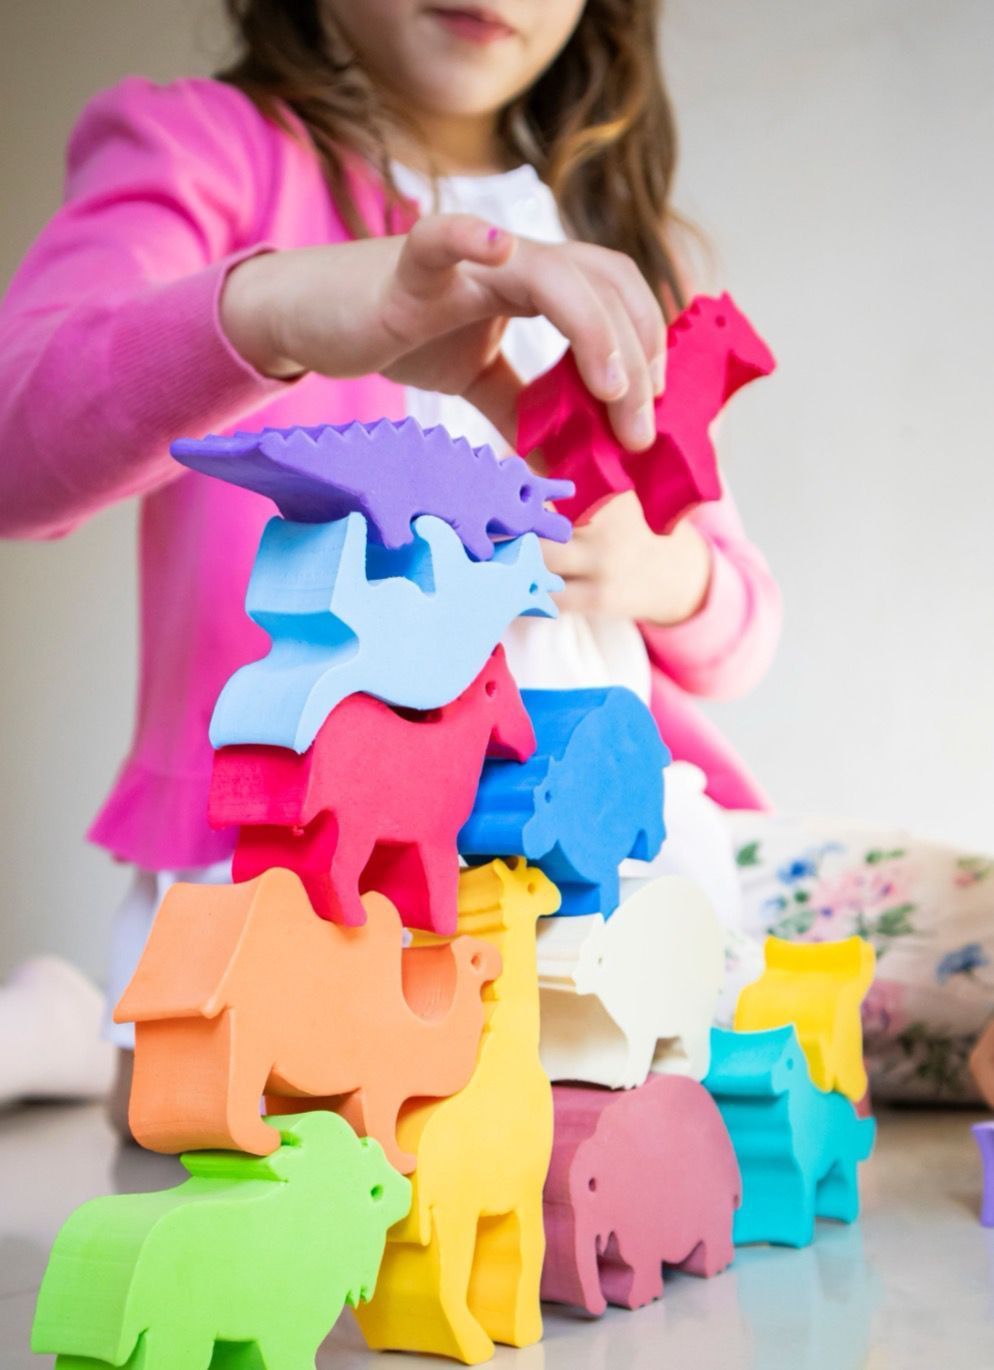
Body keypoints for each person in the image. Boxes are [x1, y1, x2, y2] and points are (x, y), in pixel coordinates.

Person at [1, 1, 985, 1116]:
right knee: (354, 1103)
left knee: (943, 941)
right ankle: (97, 1021)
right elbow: (17, 440)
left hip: (607, 831)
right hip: (338, 851)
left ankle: (92, 1020)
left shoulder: (605, 237)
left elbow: (742, 618)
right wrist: (275, 309)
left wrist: (659, 568)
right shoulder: (210, 151)